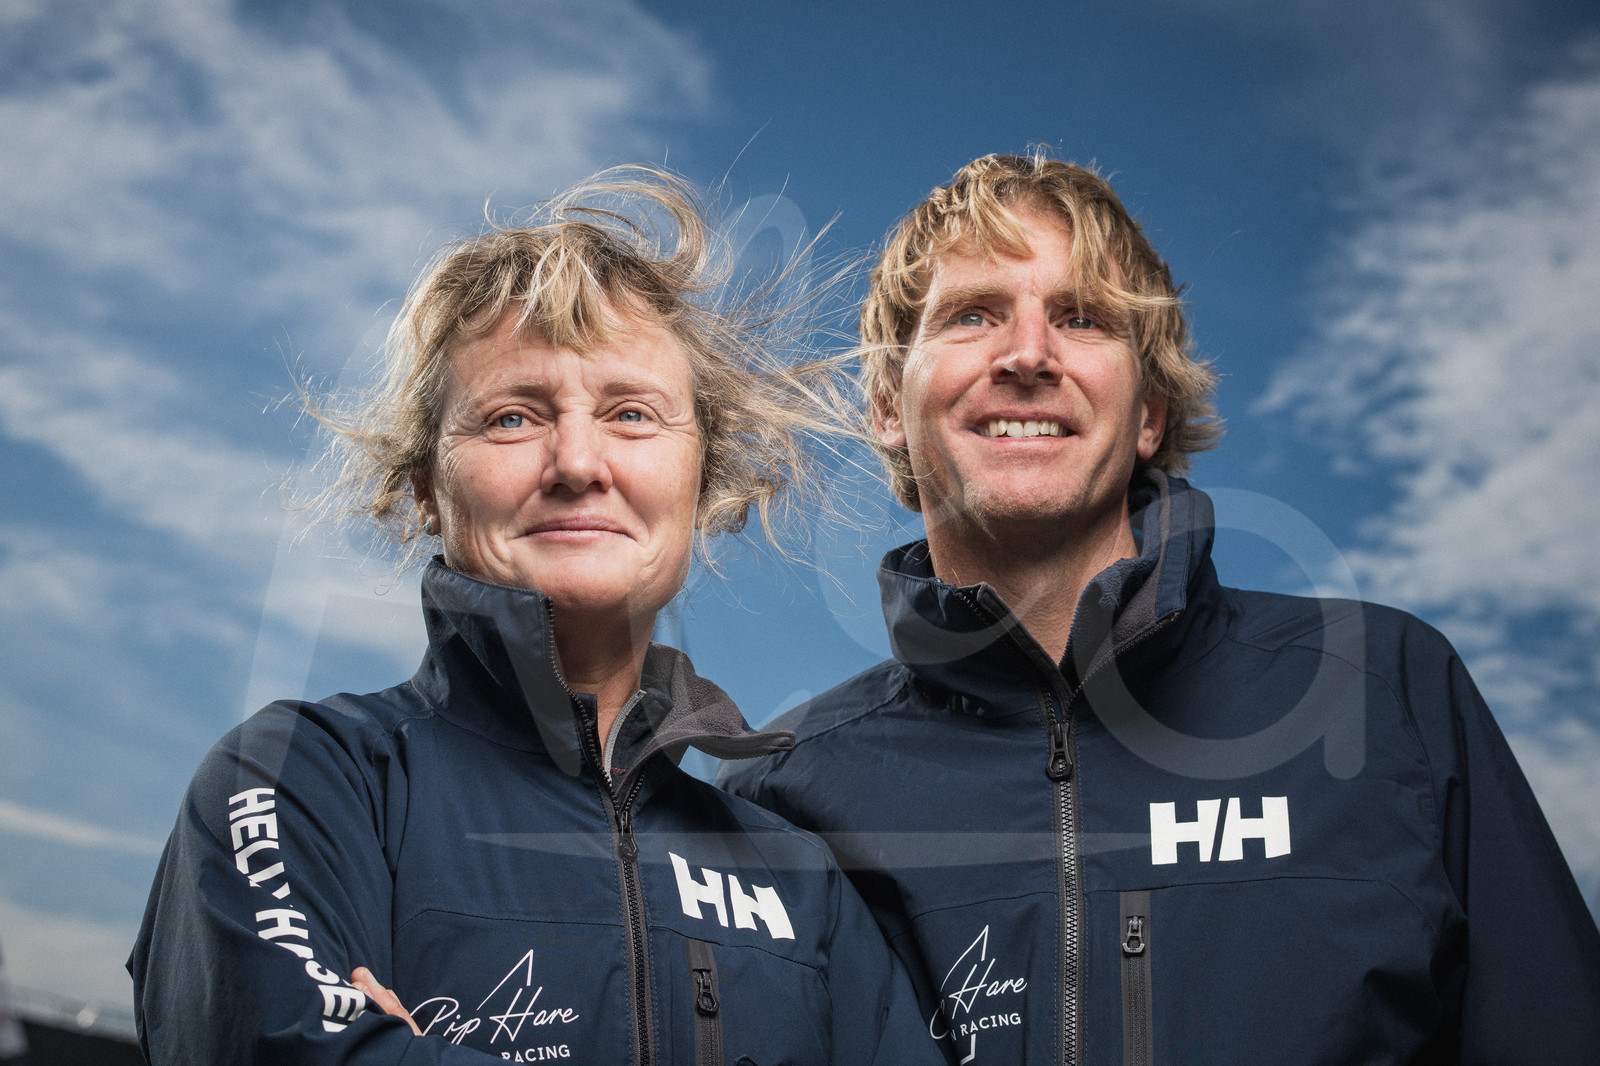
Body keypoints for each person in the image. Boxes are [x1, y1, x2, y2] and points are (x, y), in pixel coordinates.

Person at [719, 152, 1600, 1064]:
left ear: (1149, 413)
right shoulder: (783, 798)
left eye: (1082, 317)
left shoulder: (1382, 690)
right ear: (885, 406)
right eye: (973, 314)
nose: (1027, 355)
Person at [128, 169, 940, 1064]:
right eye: (513, 418)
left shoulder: (802, 882)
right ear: (425, 486)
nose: (578, 462)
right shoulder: (296, 784)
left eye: (631, 414)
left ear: (702, 478)